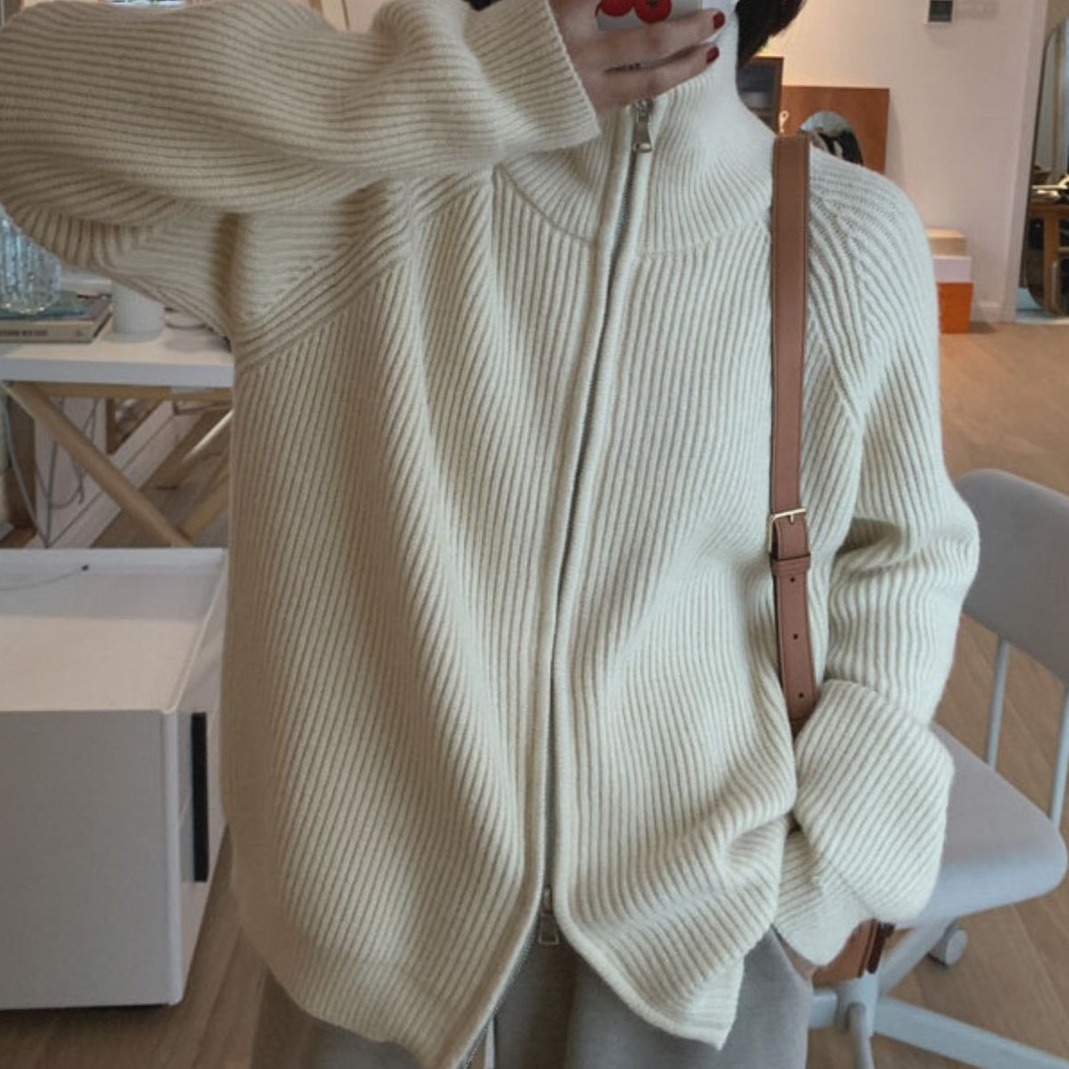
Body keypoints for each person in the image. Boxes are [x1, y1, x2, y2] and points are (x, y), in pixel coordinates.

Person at [0, 0, 981, 1065]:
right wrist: (474, 80)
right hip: (373, 972)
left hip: (701, 953)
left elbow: (905, 555)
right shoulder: (356, 188)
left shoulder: (845, 235)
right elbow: (24, 102)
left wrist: (821, 879)